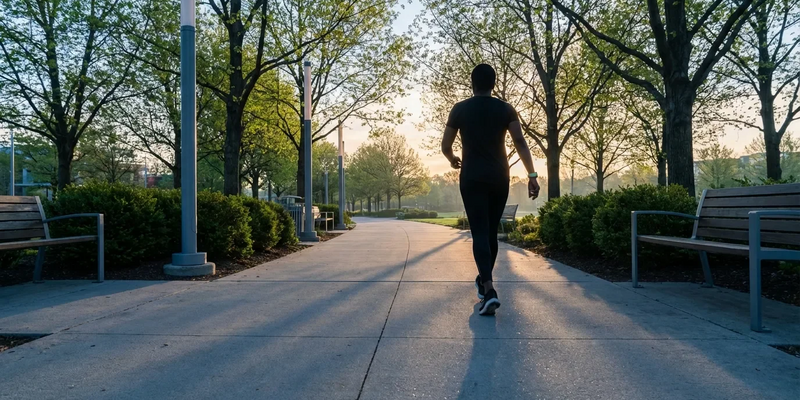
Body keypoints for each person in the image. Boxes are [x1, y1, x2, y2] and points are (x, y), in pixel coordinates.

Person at [441, 64, 540, 316]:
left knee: (480, 233)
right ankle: (485, 284)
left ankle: (488, 288)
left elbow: (446, 145)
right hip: (499, 176)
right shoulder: (506, 109)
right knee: (491, 233)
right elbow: (519, 141)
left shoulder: (460, 109)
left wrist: (453, 159)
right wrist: (531, 174)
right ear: (493, 84)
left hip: (472, 177)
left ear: (472, 83)